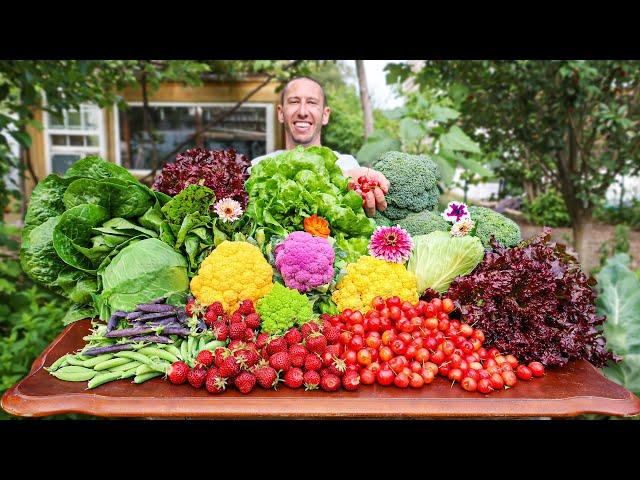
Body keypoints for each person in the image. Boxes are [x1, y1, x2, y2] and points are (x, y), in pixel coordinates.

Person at [251, 76, 389, 217]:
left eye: (311, 102)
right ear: (280, 113)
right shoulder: (256, 167)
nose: (302, 112)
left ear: (325, 115)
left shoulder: (346, 164)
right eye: (294, 102)